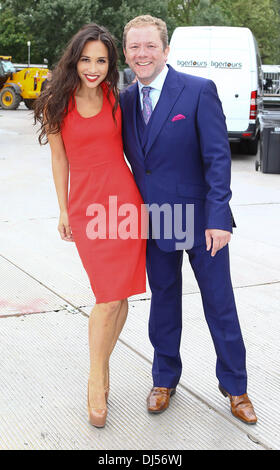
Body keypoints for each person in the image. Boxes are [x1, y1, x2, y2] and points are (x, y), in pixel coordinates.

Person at [120, 15, 257, 425]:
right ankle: (164, 379)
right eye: (134, 47)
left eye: (150, 46)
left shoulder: (198, 91)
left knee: (219, 304)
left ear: (166, 50)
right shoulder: (125, 100)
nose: (142, 54)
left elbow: (217, 159)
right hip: (156, 220)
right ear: (125, 52)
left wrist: (219, 218)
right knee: (163, 303)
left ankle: (236, 387)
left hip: (201, 221)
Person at [34, 23, 146, 428]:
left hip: (125, 203)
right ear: (74, 60)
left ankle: (99, 372)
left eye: (101, 60)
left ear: (110, 64)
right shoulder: (56, 103)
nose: (93, 68)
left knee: (120, 297)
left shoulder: (119, 99)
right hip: (86, 207)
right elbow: (59, 159)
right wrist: (63, 209)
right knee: (107, 294)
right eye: (86, 59)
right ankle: (96, 378)